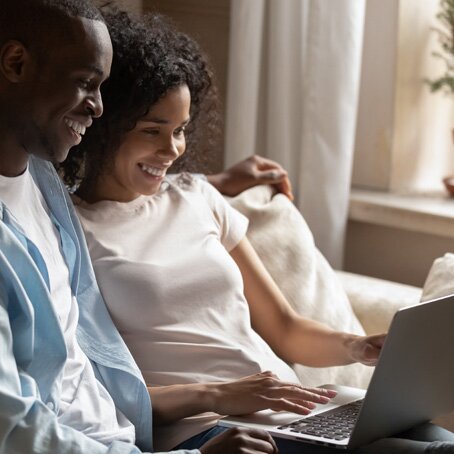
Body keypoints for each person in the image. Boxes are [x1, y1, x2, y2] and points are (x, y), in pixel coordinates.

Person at [59, 10, 454, 454]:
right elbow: (93, 392)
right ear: (103, 126)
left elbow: (285, 329)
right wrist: (222, 393)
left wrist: (357, 346)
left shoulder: (196, 198)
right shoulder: (69, 229)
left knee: (437, 440)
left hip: (298, 407)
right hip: (211, 429)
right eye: (153, 131)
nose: (172, 150)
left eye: (181, 130)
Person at [0, 1, 299, 453]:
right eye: (86, 84)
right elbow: (13, 429)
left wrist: (209, 186)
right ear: (16, 63)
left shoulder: (42, 183)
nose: (100, 109)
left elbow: (117, 195)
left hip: (132, 438)